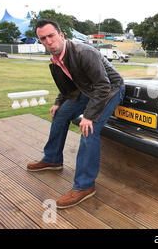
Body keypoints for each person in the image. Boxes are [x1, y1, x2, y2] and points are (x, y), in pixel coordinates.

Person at [26, 19, 125, 209]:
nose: (48, 41)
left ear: (61, 35)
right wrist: (58, 103)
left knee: (89, 129)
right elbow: (68, 86)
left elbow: (103, 85)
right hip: (88, 90)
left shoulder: (83, 52)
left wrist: (89, 116)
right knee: (61, 115)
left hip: (110, 89)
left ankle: (84, 186)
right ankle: (52, 159)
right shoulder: (56, 60)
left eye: (51, 36)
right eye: (43, 38)